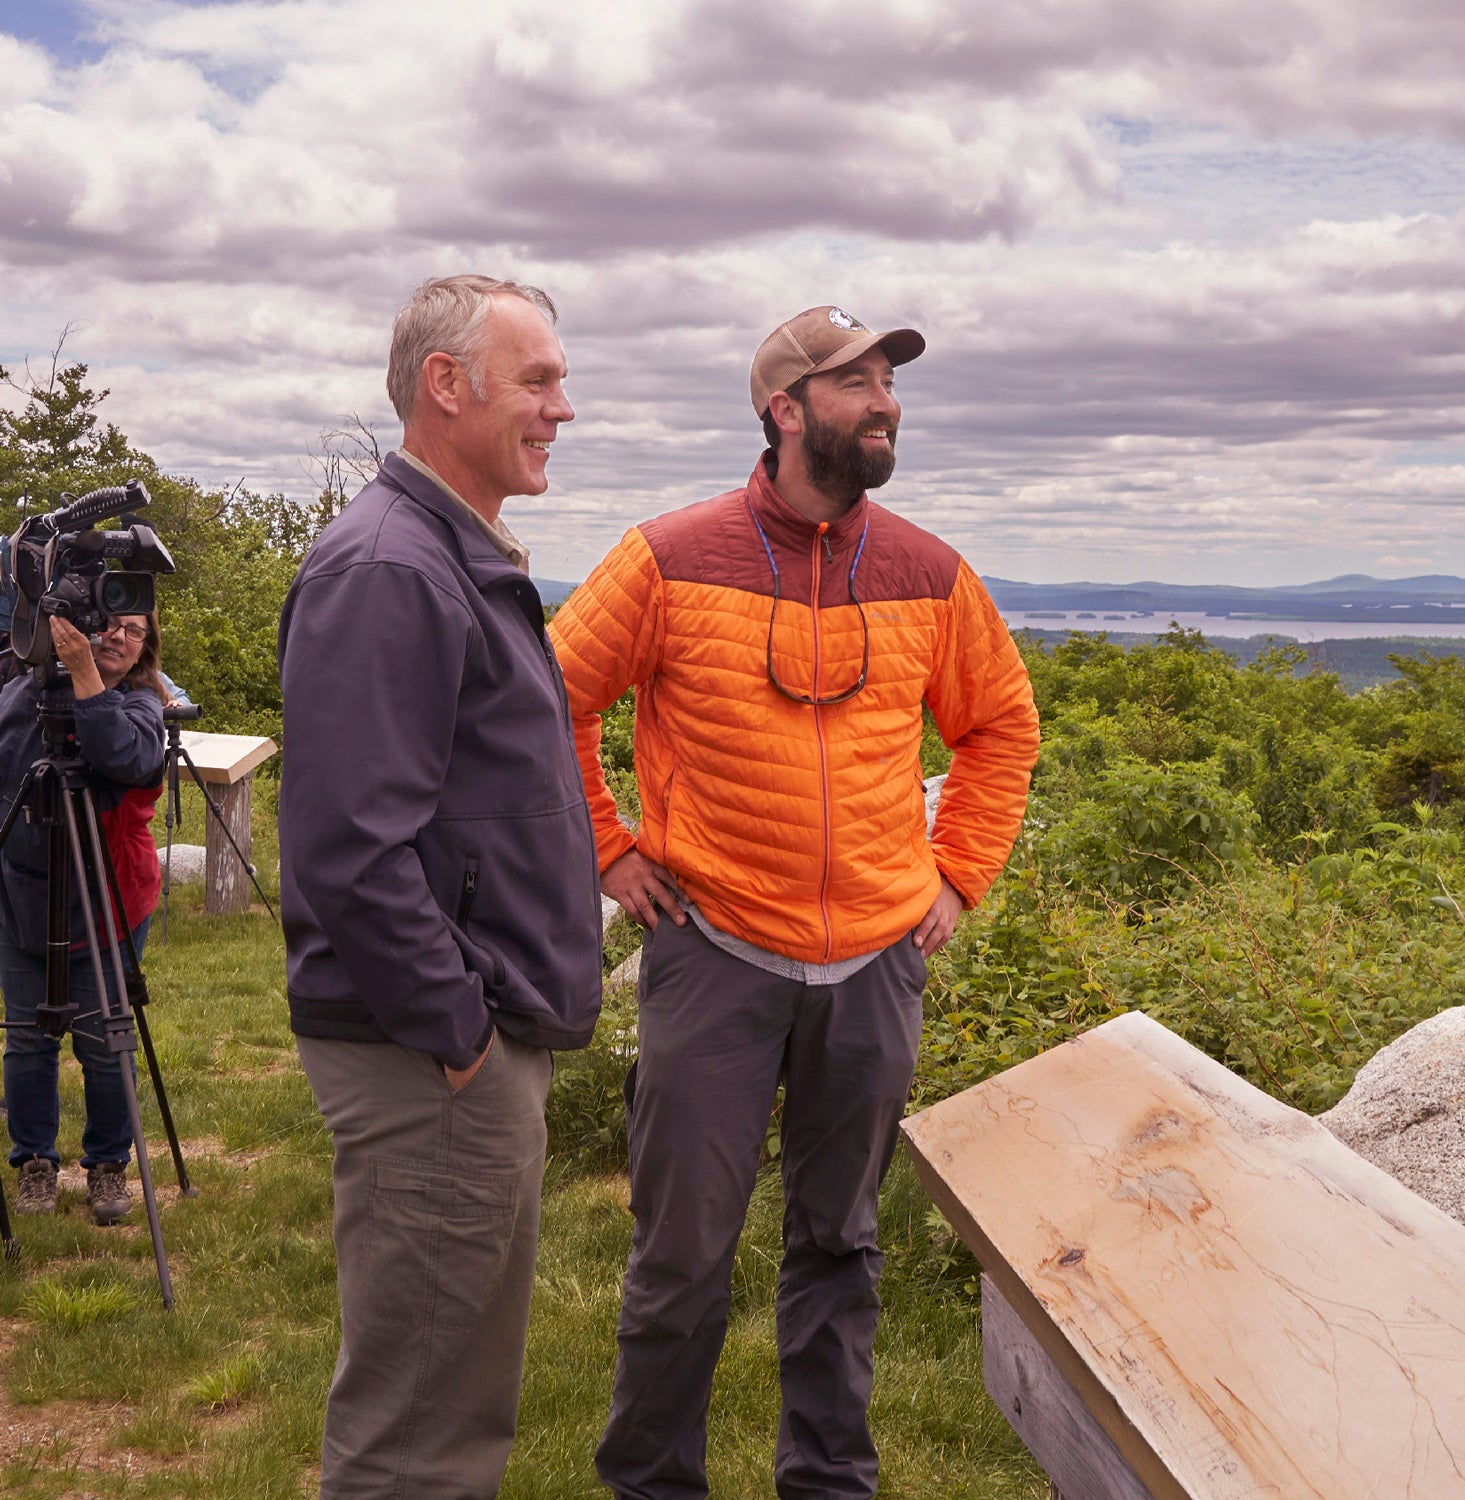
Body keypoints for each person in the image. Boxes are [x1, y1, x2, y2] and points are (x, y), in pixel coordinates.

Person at [550, 305, 1041, 1500]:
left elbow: (1001, 727)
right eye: (860, 382)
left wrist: (956, 873)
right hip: (714, 953)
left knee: (842, 1245)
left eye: (888, 383)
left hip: (876, 964)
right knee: (680, 1255)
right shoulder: (668, 556)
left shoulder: (929, 571)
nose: (887, 403)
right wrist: (610, 848)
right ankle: (651, 1483)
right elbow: (547, 698)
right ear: (785, 409)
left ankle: (828, 1482)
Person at [278, 274, 603, 1500]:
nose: (562, 408)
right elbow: (353, 849)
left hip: (452, 1048)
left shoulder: (441, 551)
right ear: (445, 385)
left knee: (450, 1394)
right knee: (422, 1428)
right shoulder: (392, 569)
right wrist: (459, 1034)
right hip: (430, 1062)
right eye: (538, 380)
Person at [0, 611, 172, 1226]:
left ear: (147, 646)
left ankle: (107, 1165)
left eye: (136, 629)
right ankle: (36, 1163)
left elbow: (124, 758)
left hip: (108, 903)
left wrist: (84, 677)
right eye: (110, 624)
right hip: (22, 900)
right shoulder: (23, 694)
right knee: (25, 1040)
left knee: (104, 1045)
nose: (120, 637)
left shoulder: (142, 706)